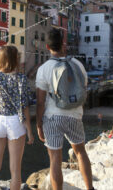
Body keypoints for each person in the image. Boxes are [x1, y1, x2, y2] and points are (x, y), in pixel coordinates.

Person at [36, 29, 94, 190]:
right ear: (63, 44)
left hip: (53, 117)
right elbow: (83, 89)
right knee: (80, 152)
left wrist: (39, 124)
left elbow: (40, 102)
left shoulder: (44, 68)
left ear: (47, 46)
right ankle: (90, 188)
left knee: (55, 158)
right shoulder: (78, 65)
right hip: (75, 115)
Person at [0, 45, 34, 190]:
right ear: (15, 59)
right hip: (16, 121)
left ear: (1, 58)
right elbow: (25, 106)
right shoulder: (21, 78)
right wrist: (29, 131)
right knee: (15, 170)